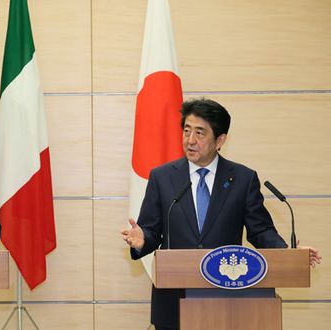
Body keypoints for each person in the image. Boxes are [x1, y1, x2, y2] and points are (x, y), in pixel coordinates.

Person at [121, 98, 321, 330]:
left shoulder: (243, 179)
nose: (190, 140)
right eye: (186, 131)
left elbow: (261, 230)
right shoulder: (163, 177)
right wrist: (143, 240)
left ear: (220, 140)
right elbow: (152, 231)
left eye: (200, 133)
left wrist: (289, 254)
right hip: (173, 299)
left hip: (228, 298)